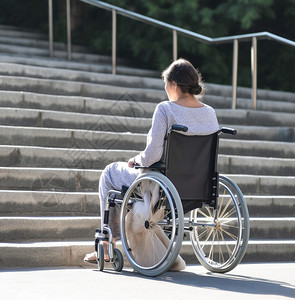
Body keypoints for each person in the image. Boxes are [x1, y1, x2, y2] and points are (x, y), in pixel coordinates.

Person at [84, 58, 220, 271]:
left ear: (174, 85)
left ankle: (106, 243)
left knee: (109, 173)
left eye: (166, 84)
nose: (165, 89)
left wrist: (135, 160)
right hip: (198, 185)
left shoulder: (166, 109)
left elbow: (152, 155)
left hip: (160, 183)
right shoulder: (210, 112)